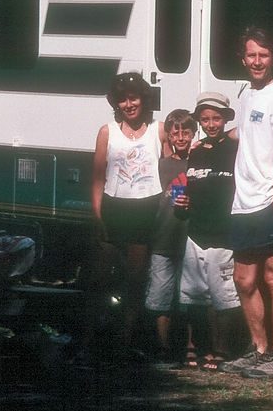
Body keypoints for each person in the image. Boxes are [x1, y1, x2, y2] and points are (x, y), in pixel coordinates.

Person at [221, 28, 273, 380]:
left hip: (270, 202)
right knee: (243, 279)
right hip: (243, 202)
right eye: (251, 55)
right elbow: (246, 134)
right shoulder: (246, 95)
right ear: (243, 59)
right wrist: (207, 139)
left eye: (263, 55)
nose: (257, 61)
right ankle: (258, 350)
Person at [90, 71, 163, 359]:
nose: (129, 104)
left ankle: (124, 342)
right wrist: (98, 217)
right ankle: (90, 341)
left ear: (143, 100)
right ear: (116, 104)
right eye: (122, 100)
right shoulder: (107, 131)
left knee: (135, 281)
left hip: (145, 210)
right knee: (100, 280)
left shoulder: (159, 130)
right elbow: (97, 177)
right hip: (114, 209)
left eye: (133, 98)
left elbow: (172, 167)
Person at [174, 92, 243, 370]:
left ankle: (221, 350)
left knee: (223, 296)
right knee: (192, 295)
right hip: (196, 231)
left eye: (216, 118)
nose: (211, 124)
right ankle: (195, 347)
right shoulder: (197, 150)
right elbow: (189, 183)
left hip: (223, 233)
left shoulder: (237, 146)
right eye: (205, 119)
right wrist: (182, 200)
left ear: (226, 119)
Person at [145, 108, 197, 366]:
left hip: (191, 238)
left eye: (186, 132)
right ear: (168, 136)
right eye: (175, 132)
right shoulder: (161, 165)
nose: (180, 137)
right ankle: (163, 347)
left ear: (193, 133)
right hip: (163, 238)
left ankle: (191, 347)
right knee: (160, 297)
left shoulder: (200, 161)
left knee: (189, 298)